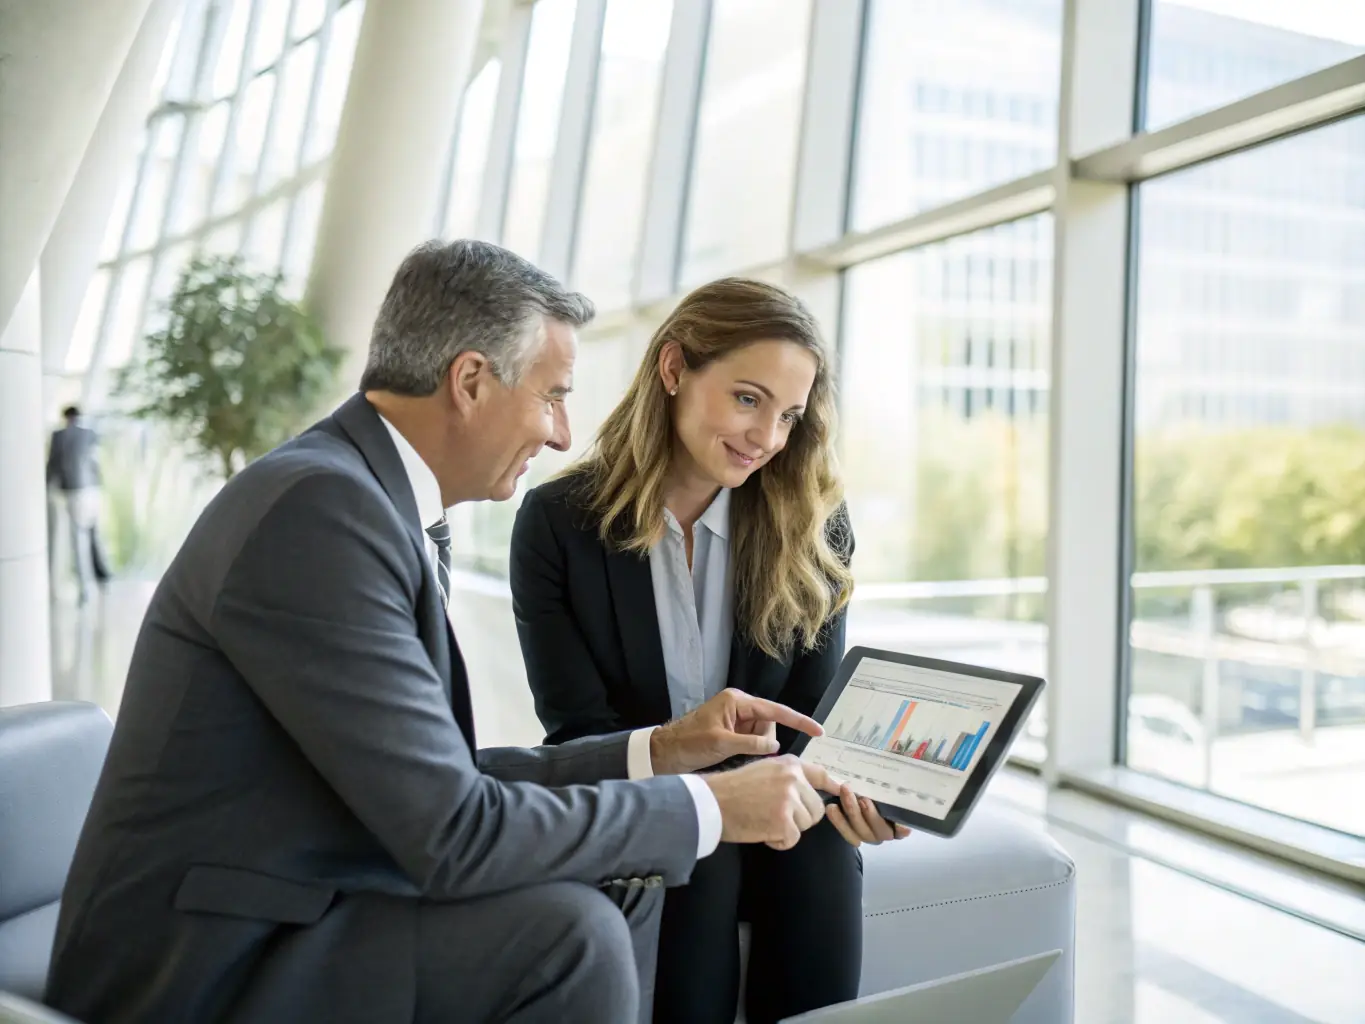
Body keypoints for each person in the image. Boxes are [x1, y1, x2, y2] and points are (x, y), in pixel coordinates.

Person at [45, 242, 848, 1024]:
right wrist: (706, 806)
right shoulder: (321, 514)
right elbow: (455, 830)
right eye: (551, 396)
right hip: (204, 961)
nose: (562, 433)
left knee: (600, 898)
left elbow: (447, 779)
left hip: (299, 897)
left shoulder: (357, 496)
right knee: (570, 938)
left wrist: (661, 752)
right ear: (469, 381)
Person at [509, 278, 912, 1024]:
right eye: (748, 399)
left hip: (779, 810)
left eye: (789, 415)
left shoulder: (815, 526)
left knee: (821, 850)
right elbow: (576, 729)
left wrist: (861, 797)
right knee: (703, 845)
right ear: (672, 371)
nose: (766, 439)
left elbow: (810, 727)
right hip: (649, 800)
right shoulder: (555, 524)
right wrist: (705, 790)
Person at [46, 405, 111, 603]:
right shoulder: (90, 434)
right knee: (94, 535)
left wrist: (46, 487)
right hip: (93, 490)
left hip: (73, 491)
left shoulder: (59, 436)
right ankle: (103, 577)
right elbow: (95, 463)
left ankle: (85, 589)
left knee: (78, 541)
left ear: (66, 417)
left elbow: (53, 465)